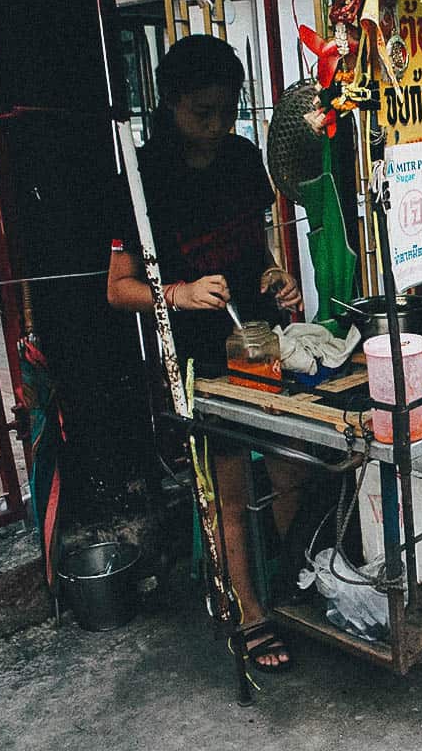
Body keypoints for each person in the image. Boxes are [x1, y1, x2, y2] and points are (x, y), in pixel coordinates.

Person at [107, 35, 306, 672]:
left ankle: (293, 580)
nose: (216, 126)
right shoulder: (142, 178)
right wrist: (180, 293)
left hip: (259, 337)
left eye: (226, 110)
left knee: (292, 466)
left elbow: (259, 247)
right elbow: (118, 290)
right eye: (202, 112)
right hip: (198, 358)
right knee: (226, 486)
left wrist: (279, 277)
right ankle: (250, 613)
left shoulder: (245, 159)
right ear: (169, 104)